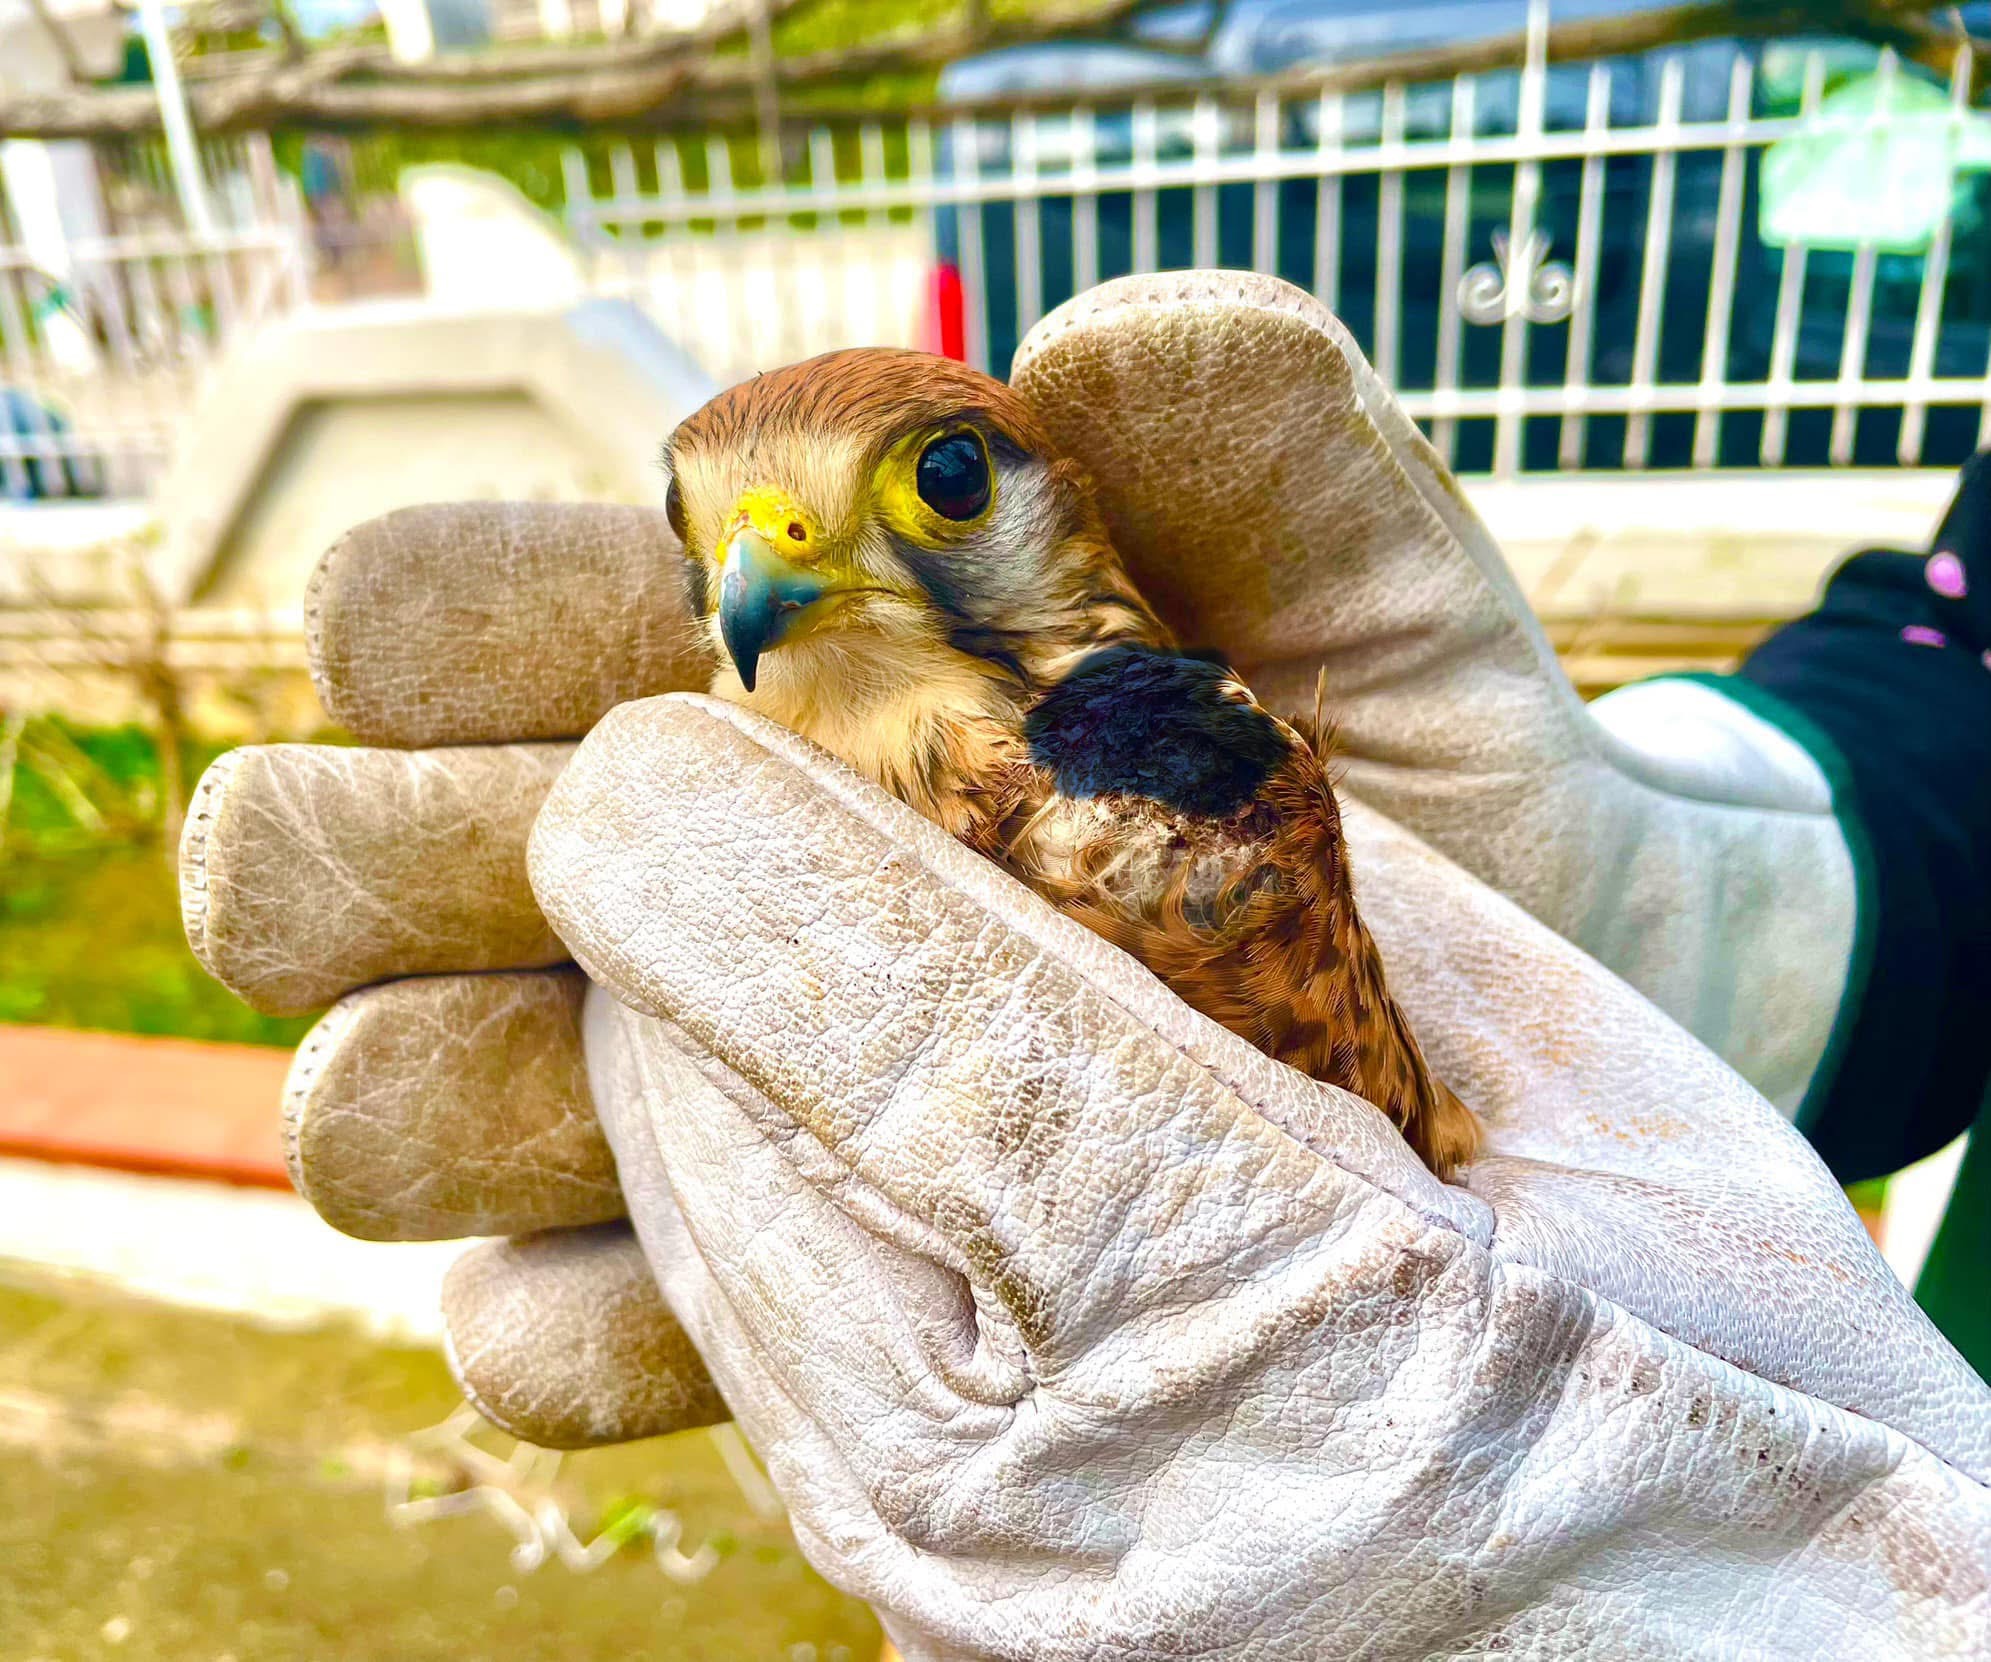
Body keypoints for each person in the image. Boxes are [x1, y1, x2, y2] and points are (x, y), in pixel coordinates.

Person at [182, 273, 1991, 1658]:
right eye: (719, 529)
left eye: (937, 488)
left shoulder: (1166, 782)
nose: (771, 562)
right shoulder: (690, 836)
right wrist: (1792, 885)